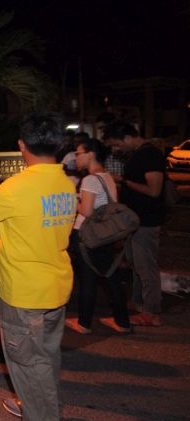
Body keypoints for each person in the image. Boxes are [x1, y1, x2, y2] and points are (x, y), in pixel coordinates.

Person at [0, 113, 76, 421]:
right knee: (46, 356)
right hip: (56, 285)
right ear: (59, 145)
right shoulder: (65, 182)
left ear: (21, 145)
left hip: (23, 291)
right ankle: (42, 406)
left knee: (28, 364)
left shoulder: (17, 187)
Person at [64, 138, 131, 335]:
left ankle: (84, 323)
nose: (76, 157)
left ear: (90, 154)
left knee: (88, 278)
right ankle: (122, 321)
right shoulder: (106, 177)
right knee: (110, 275)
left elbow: (86, 210)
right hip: (104, 234)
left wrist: (72, 200)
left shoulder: (90, 179)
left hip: (87, 234)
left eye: (79, 153)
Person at [103, 122, 166, 327]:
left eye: (117, 145)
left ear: (128, 138)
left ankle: (151, 311)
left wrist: (124, 182)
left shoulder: (150, 155)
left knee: (146, 266)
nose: (116, 150)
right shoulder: (140, 154)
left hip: (146, 220)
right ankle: (140, 304)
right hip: (135, 220)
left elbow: (154, 190)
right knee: (136, 264)